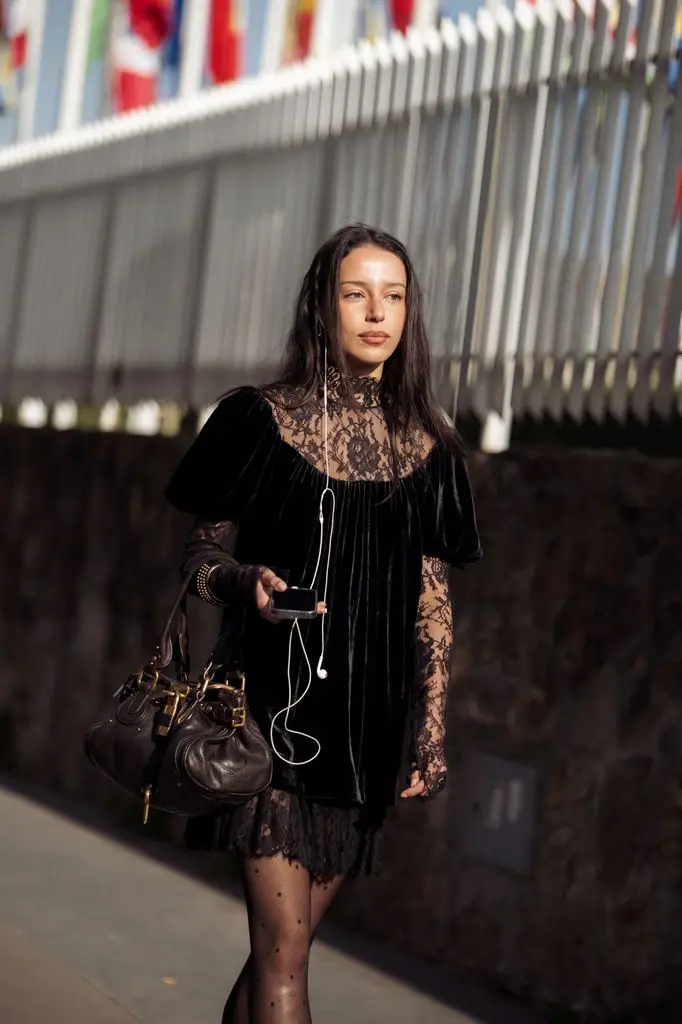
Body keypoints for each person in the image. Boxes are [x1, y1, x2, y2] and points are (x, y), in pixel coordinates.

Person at [165, 224, 481, 1023]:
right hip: (270, 721)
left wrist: (431, 732)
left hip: (365, 737)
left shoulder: (431, 449)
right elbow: (197, 558)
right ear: (321, 305)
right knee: (286, 957)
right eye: (355, 293)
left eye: (394, 295)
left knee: (281, 954)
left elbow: (433, 605)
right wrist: (247, 583)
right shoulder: (259, 421)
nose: (377, 313)